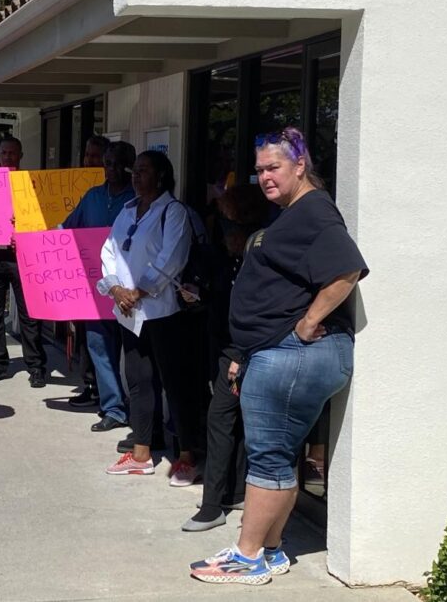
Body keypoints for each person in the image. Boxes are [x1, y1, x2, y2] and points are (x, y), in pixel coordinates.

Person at [189, 127, 368, 585]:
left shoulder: (314, 212)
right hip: (271, 351)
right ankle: (269, 550)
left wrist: (308, 324)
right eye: (260, 169)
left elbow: (347, 268)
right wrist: (243, 351)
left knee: (268, 457)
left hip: (292, 353)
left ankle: (247, 556)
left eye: (274, 168)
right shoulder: (293, 213)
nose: (264, 177)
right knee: (279, 456)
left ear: (300, 166)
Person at [99, 150, 203, 486]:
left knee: (174, 384)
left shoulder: (173, 212)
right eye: (135, 170)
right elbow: (109, 251)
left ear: (161, 177)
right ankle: (141, 453)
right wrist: (116, 289)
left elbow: (170, 257)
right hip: (129, 313)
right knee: (139, 382)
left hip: (161, 312)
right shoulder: (129, 211)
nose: (135, 175)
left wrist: (140, 291)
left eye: (143, 171)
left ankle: (186, 456)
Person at [182, 184, 270, 532]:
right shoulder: (226, 256)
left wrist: (242, 355)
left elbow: (258, 310)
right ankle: (233, 491)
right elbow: (220, 297)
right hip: (224, 346)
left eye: (229, 222)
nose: (223, 229)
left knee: (221, 420)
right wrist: (198, 294)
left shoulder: (258, 256)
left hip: (242, 350)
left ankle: (212, 504)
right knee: (233, 421)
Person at [61, 140, 136, 431]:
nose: (113, 169)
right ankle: (114, 408)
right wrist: (30, 237)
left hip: (132, 291)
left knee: (133, 354)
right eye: (108, 163)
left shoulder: (138, 201)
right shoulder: (92, 197)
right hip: (97, 290)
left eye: (119, 164)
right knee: (99, 347)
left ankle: (141, 410)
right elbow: (65, 230)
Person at [0, 136, 48, 388]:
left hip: (22, 256)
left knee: (30, 315)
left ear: (21, 155)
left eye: (12, 153)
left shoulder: (31, 184)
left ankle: (36, 366)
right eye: (3, 152)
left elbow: (42, 217)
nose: (7, 157)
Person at [68, 134, 113, 406]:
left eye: (98, 157)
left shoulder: (132, 199)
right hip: (90, 283)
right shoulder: (91, 195)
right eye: (89, 155)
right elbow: (66, 227)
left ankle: (116, 398)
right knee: (93, 341)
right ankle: (96, 389)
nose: (91, 161)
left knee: (116, 345)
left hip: (126, 287)